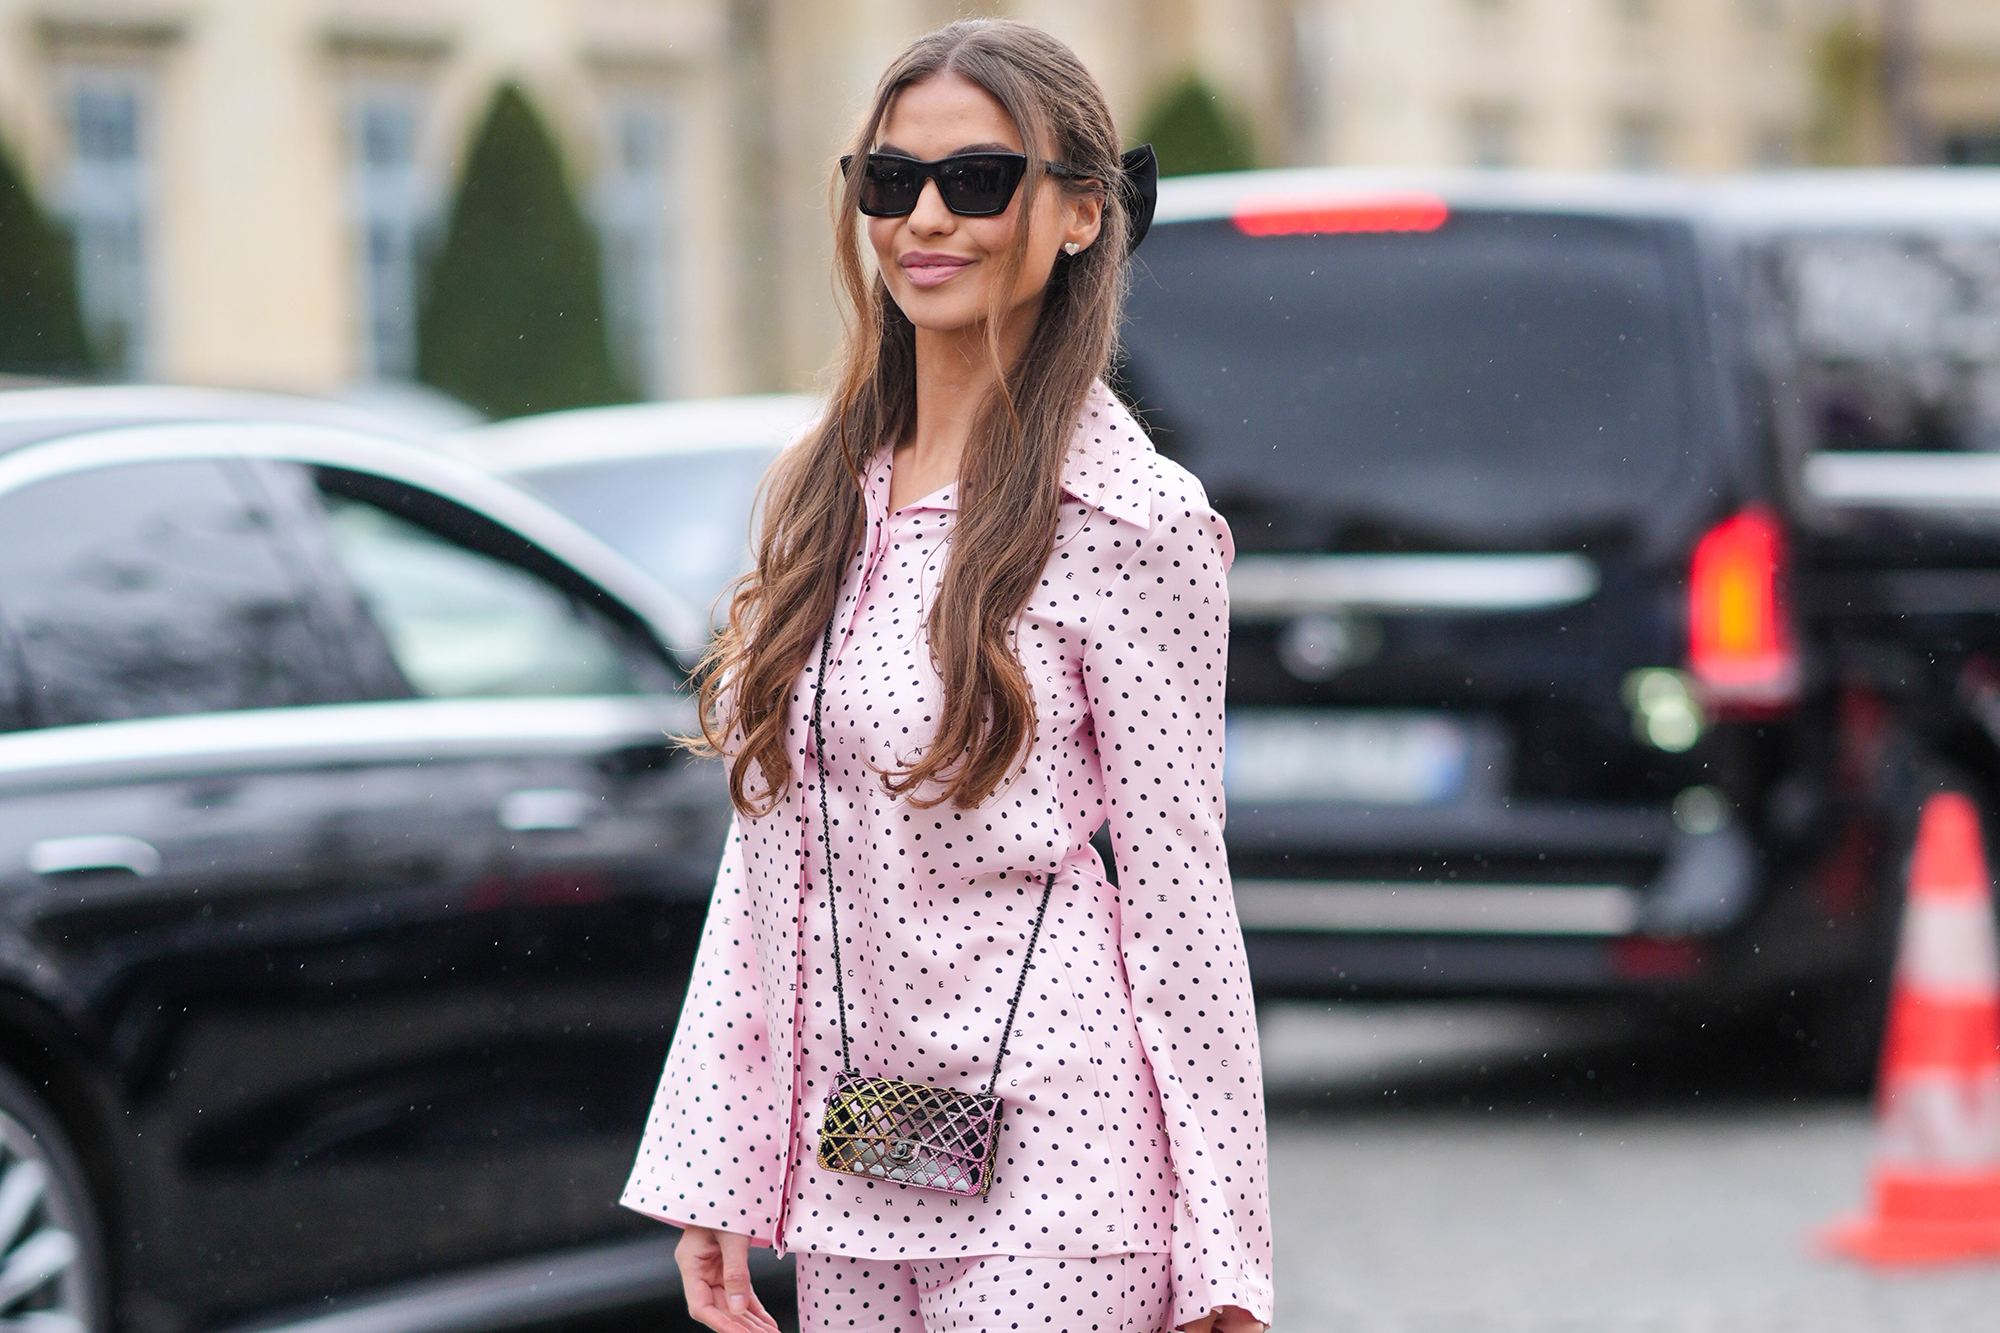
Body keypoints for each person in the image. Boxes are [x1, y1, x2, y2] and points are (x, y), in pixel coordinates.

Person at [621, 19, 1272, 1333]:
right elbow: (771, 857)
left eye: (977, 180)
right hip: (865, 1163)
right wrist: (719, 1167)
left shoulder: (1130, 517)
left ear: (1082, 214)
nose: (924, 216)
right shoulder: (821, 490)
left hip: (1066, 1170)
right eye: (888, 180)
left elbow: (1180, 896)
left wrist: (1226, 1260)